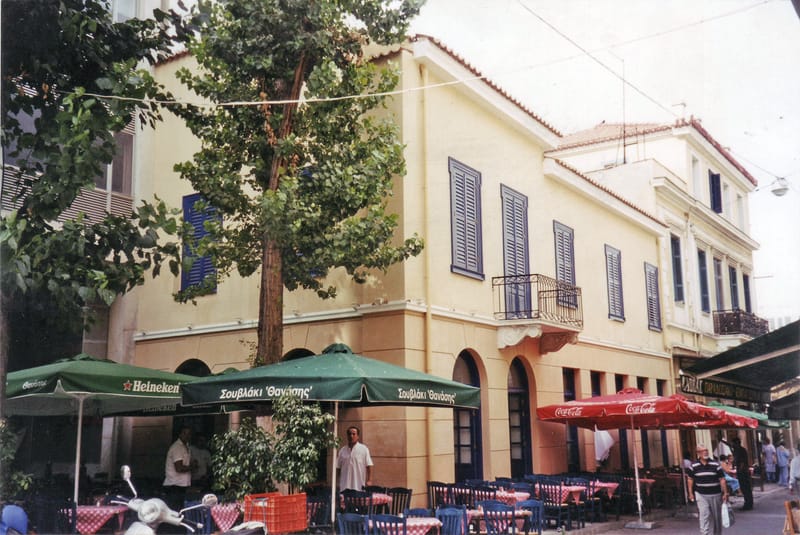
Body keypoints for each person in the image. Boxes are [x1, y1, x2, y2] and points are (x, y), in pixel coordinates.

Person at [687, 443, 728, 535]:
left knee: (717, 517)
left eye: (706, 451)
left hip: (716, 494)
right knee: (703, 516)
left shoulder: (715, 464)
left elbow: (722, 479)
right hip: (701, 494)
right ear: (698, 453)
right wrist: (690, 493)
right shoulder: (693, 466)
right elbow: (690, 479)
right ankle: (704, 533)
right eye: (703, 451)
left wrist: (725, 493)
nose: (705, 452)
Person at [163, 426, 194, 513]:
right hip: (175, 485)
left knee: (179, 511)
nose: (187, 436)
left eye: (189, 434)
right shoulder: (177, 447)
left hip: (181, 485)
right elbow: (179, 468)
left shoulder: (186, 446)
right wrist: (192, 467)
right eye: (184, 433)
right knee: (175, 513)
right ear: (180, 434)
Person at [336, 426, 373, 491]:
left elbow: (369, 465)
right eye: (349, 434)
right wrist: (338, 482)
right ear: (347, 436)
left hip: (358, 486)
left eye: (354, 434)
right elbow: (338, 467)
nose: (351, 436)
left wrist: (369, 480)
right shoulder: (342, 450)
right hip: (344, 486)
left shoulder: (364, 449)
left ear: (358, 436)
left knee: (358, 500)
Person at [730, 437, 753, 510]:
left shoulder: (741, 450)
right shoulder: (737, 450)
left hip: (743, 472)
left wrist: (739, 470)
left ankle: (748, 504)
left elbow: (742, 462)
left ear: (736, 443)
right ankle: (748, 503)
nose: (732, 445)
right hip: (742, 471)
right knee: (744, 488)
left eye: (733, 443)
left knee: (746, 488)